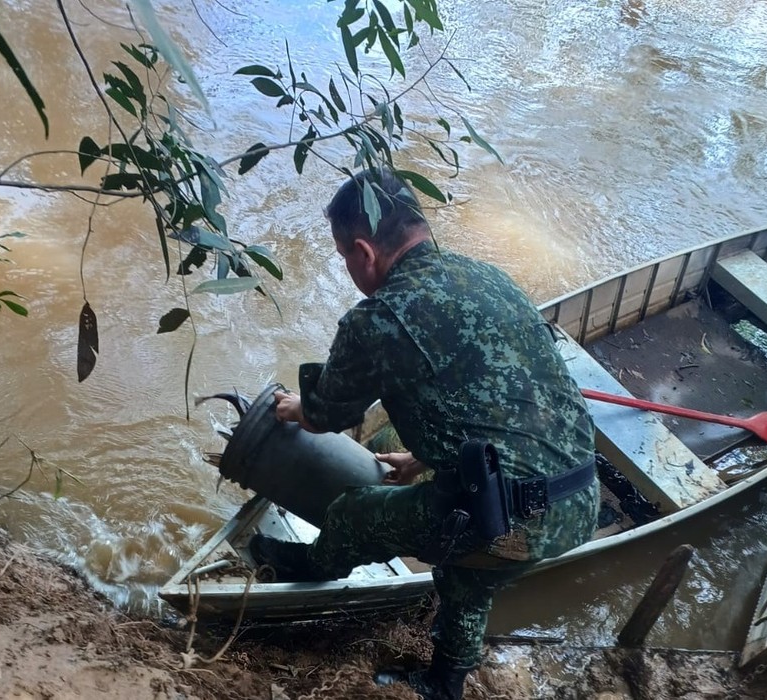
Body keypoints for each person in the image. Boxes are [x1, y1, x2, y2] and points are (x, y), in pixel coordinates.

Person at [250, 168, 598, 700]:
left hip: (514, 520)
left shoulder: (377, 319)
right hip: (581, 497)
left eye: (344, 256)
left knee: (353, 513)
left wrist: (297, 407)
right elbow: (498, 398)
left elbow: (324, 413)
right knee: (470, 573)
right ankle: (446, 682)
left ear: (364, 253)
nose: (349, 267)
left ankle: (307, 565)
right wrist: (426, 458)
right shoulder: (489, 277)